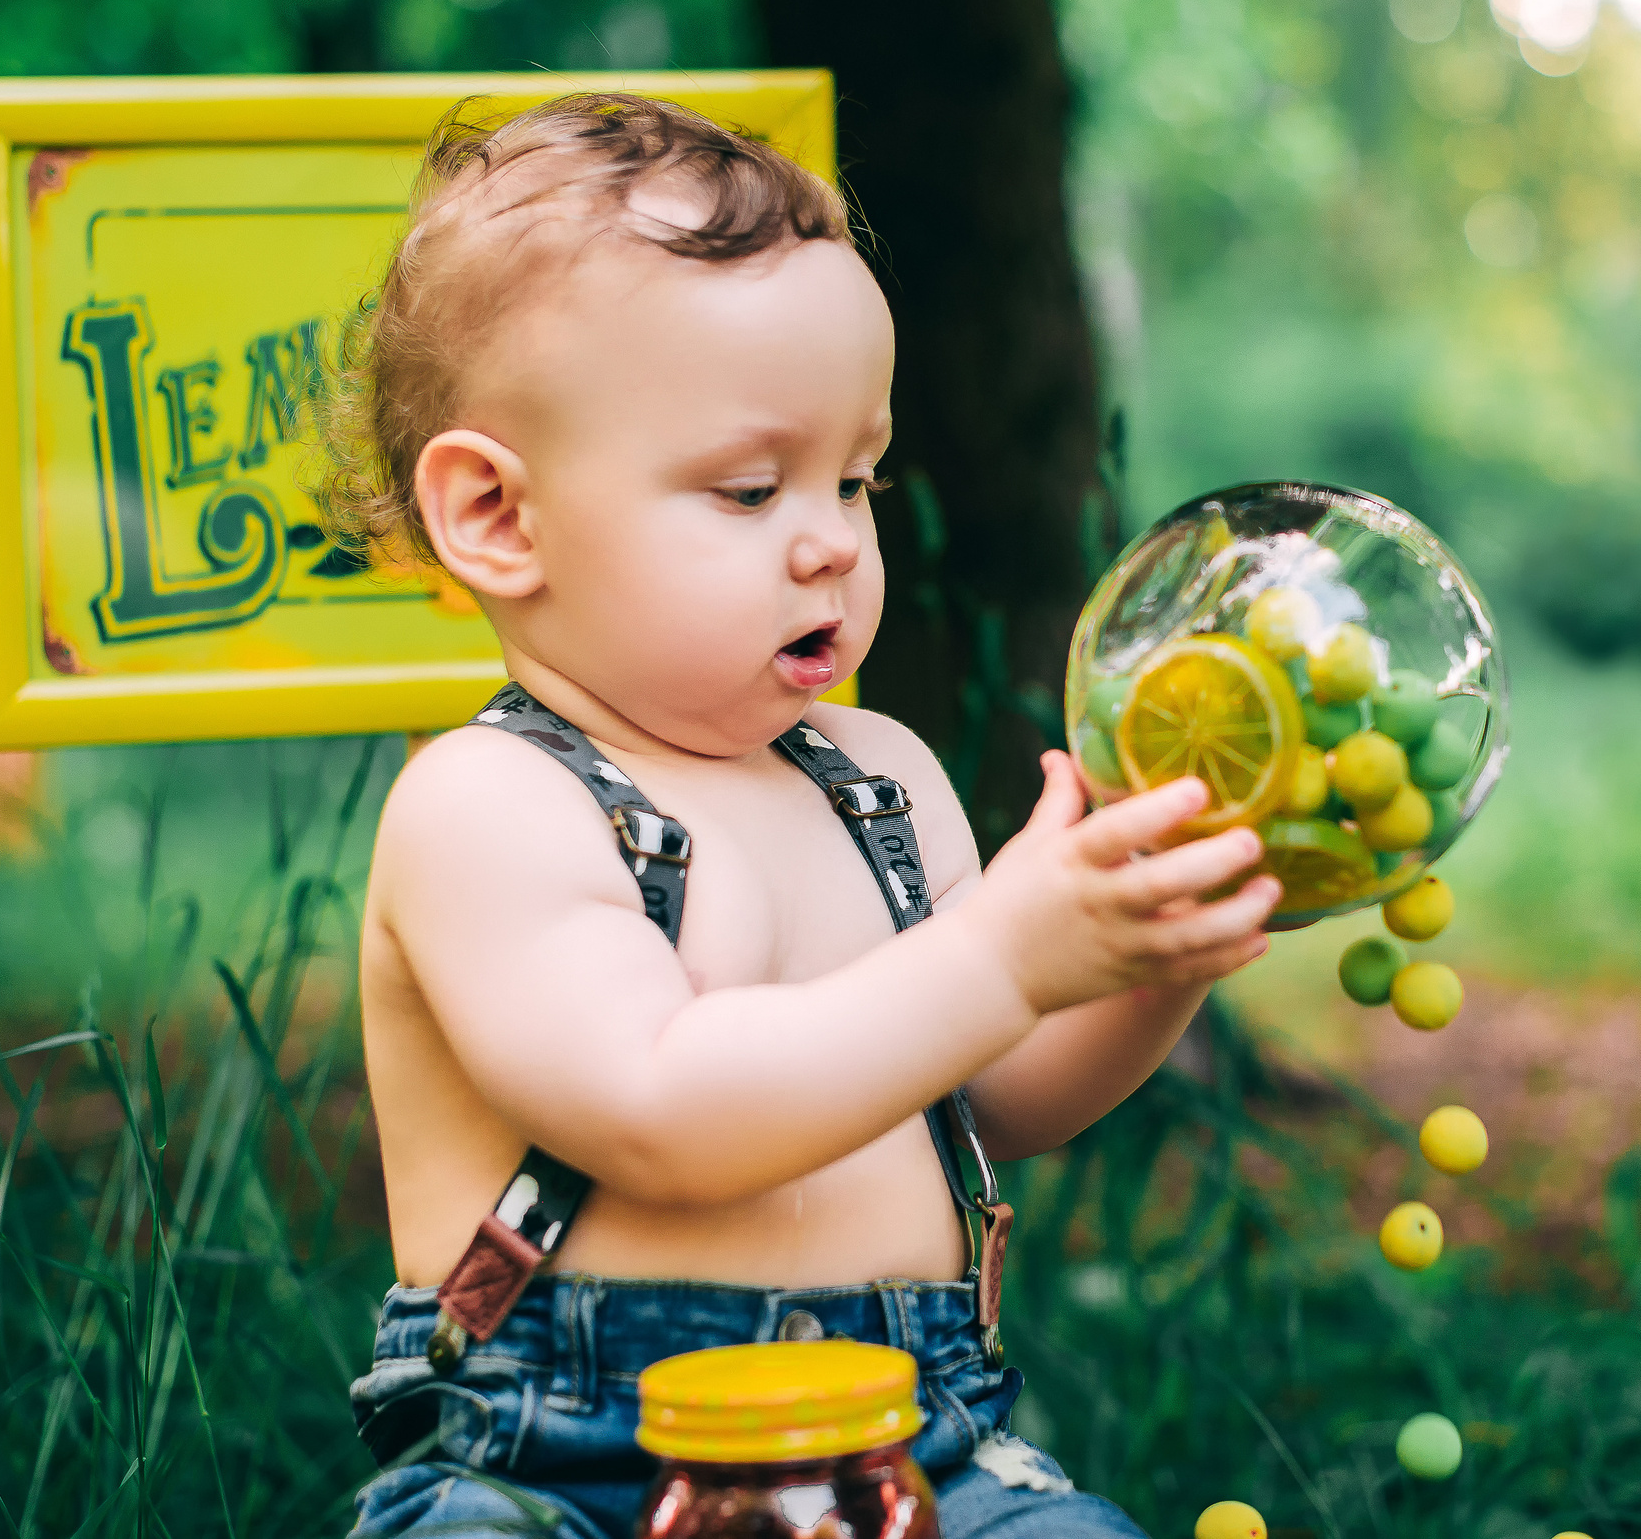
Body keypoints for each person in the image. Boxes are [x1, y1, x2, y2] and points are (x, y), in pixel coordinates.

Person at [316, 92, 1279, 1539]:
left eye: (856, 475)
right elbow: (660, 1106)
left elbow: (1003, 1090)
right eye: (752, 486)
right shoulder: (489, 806)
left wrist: (1151, 953)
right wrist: (1006, 953)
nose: (831, 537)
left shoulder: (880, 775)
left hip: (912, 1440)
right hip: (555, 1460)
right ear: (501, 519)